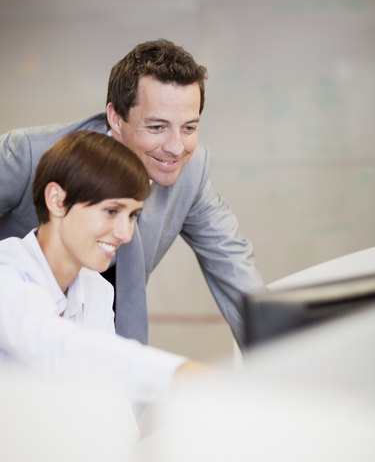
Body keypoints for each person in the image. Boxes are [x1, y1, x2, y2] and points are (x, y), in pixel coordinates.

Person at [0, 38, 265, 347]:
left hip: (97, 343)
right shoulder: (31, 154)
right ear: (115, 117)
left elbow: (233, 264)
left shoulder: (190, 171)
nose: (176, 148)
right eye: (157, 127)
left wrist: (283, 353)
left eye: (189, 128)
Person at [0, 130, 202, 407]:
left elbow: (110, 399)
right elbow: (58, 347)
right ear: (57, 200)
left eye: (132, 215)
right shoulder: (6, 272)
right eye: (111, 211)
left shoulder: (97, 290)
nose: (125, 233)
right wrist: (178, 374)